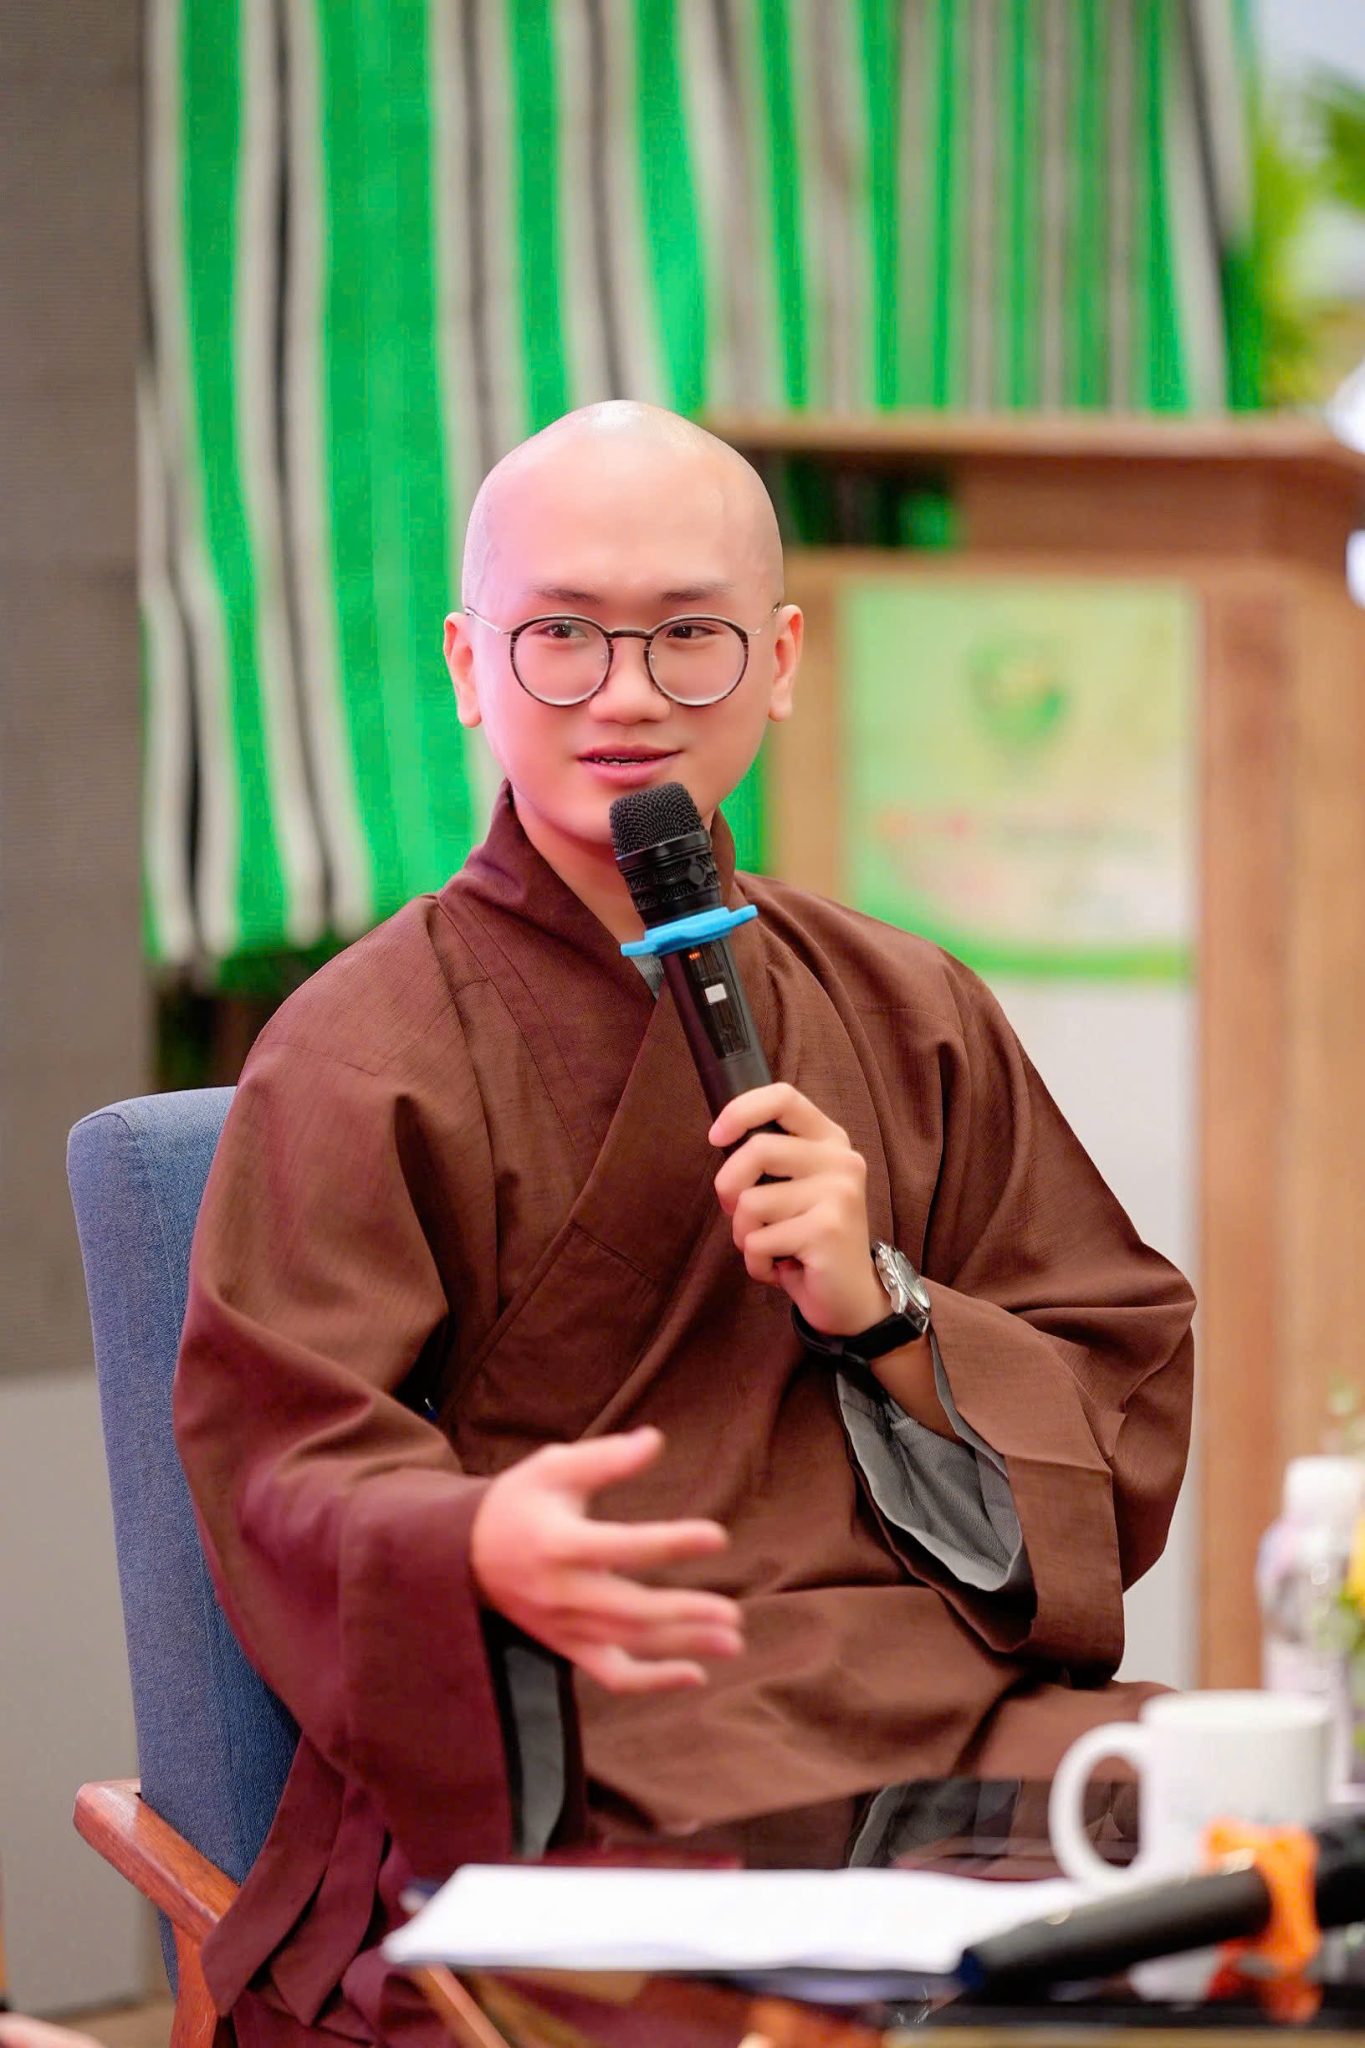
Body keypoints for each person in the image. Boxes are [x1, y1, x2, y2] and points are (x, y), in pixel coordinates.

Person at [173, 403, 1195, 2047]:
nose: (628, 693)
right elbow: (281, 1453)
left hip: (934, 1711)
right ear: (469, 665)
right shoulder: (360, 1051)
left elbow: (1115, 1363)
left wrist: (888, 1310)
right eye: (561, 634)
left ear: (777, 660)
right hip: (603, 1748)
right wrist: (470, 1545)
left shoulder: (907, 1004)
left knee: (1256, 1859)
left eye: (688, 636)